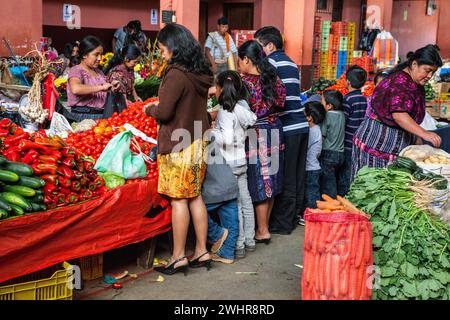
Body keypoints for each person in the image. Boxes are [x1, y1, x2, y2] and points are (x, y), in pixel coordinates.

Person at [143, 24, 214, 275]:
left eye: (162, 50)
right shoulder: (200, 71)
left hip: (179, 144)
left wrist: (149, 109)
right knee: (195, 196)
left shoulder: (176, 74)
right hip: (198, 140)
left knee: (179, 200)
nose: (162, 55)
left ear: (173, 47)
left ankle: (178, 256)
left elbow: (164, 112)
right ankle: (202, 250)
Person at [352, 45, 443, 179]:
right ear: (414, 64)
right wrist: (424, 134)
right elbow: (399, 114)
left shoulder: (414, 82)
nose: (429, 76)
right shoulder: (400, 82)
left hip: (394, 148)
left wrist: (417, 139)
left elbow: (409, 117)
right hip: (377, 145)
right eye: (427, 70)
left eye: (433, 73)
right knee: (371, 188)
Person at [254, 26, 310, 232]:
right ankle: (293, 218)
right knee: (296, 175)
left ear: (269, 45)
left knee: (285, 176)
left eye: (259, 47)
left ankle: (283, 223)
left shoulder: (271, 62)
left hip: (289, 126)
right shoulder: (291, 62)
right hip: (302, 125)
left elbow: (272, 97)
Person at [238, 40, 286, 244]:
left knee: (259, 181)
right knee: (271, 180)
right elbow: (282, 104)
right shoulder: (273, 77)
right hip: (275, 129)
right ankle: (263, 227)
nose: (239, 64)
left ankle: (263, 230)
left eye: (240, 60)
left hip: (257, 133)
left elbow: (240, 110)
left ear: (247, 59)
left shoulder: (245, 82)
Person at [211, 70, 257, 259]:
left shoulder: (224, 111)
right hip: (241, 162)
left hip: (229, 164)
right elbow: (252, 119)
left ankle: (238, 244)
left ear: (221, 89)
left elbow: (227, 139)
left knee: (235, 204)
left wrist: (212, 132)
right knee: (246, 201)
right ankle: (250, 240)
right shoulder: (240, 107)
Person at [67, 36, 120, 121]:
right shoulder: (76, 70)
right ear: (84, 54)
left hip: (101, 116)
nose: (99, 58)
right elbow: (76, 89)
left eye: (101, 54)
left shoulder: (99, 72)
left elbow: (102, 92)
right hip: (84, 117)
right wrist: (101, 87)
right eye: (96, 55)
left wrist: (111, 87)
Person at [203, 144, 240, 265]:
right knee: (231, 221)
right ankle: (227, 253)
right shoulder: (209, 137)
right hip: (231, 185)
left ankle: (216, 234)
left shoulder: (192, 140)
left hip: (213, 190)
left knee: (193, 209)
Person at [341, 65, 368, 194]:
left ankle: (346, 195)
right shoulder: (365, 99)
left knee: (346, 173)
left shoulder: (347, 99)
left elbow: (343, 121)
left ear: (348, 82)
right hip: (359, 142)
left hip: (347, 142)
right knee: (355, 170)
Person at [320, 90, 345, 199]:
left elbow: (322, 134)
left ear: (329, 106)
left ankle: (331, 203)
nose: (321, 104)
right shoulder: (342, 114)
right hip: (340, 153)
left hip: (328, 153)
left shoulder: (328, 115)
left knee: (328, 183)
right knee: (334, 179)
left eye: (322, 101)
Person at [304, 100, 326, 210]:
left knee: (311, 192)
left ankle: (313, 212)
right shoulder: (316, 129)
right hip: (314, 166)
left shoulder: (312, 131)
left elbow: (305, 147)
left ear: (309, 117)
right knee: (313, 191)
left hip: (310, 168)